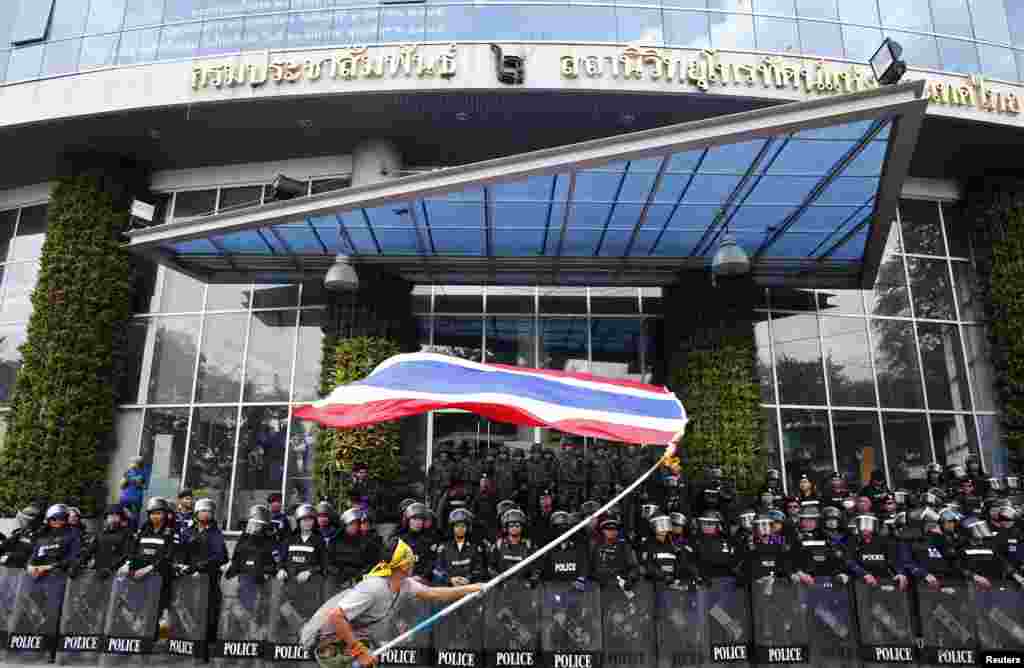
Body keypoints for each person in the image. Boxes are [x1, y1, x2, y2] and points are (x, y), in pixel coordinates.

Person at [301, 537, 485, 668]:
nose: (413, 562)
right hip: (327, 643)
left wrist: (472, 588)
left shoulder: (405, 583)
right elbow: (336, 617)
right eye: (410, 559)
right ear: (403, 565)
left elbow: (434, 593)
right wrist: (359, 651)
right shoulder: (373, 587)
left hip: (349, 639)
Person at [74, 504, 133, 578]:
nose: (113, 518)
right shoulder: (100, 534)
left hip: (114, 575)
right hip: (97, 573)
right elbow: (89, 550)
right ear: (106, 517)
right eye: (110, 515)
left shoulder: (126, 534)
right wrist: (78, 563)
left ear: (121, 517)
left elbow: (127, 555)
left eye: (116, 515)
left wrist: (111, 568)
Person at [433, 508, 487, 586]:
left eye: (463, 526)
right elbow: (437, 570)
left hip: (470, 588)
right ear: (452, 528)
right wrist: (450, 579)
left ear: (468, 528)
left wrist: (469, 579)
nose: (460, 529)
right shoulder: (443, 548)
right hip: (449, 589)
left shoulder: (475, 547)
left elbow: (480, 569)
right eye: (457, 526)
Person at [27, 504, 81, 579]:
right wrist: (32, 568)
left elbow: (73, 558)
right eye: (53, 519)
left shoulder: (72, 535)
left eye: (62, 519)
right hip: (38, 583)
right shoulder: (42, 538)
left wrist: (48, 567)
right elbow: (33, 561)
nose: (57, 522)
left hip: (60, 581)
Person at [279, 503, 327, 584]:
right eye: (304, 520)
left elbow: (324, 564)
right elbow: (282, 560)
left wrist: (310, 572)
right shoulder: (289, 540)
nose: (307, 523)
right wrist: (281, 570)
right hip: (290, 583)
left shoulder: (319, 541)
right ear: (299, 521)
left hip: (311, 584)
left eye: (310, 520)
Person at [326, 508, 373, 588]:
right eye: (351, 524)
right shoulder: (334, 541)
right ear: (345, 525)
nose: (354, 527)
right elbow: (328, 562)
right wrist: (340, 575)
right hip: (337, 580)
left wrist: (357, 578)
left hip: (359, 582)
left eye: (356, 524)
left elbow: (370, 565)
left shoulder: (366, 543)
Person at [119, 456, 149, 523]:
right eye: (131, 462)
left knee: (134, 519)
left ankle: (133, 531)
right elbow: (121, 485)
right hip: (125, 498)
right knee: (123, 518)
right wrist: (127, 479)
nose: (131, 464)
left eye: (133, 462)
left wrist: (138, 483)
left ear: (138, 463)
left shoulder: (143, 472)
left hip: (135, 500)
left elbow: (145, 486)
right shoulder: (128, 472)